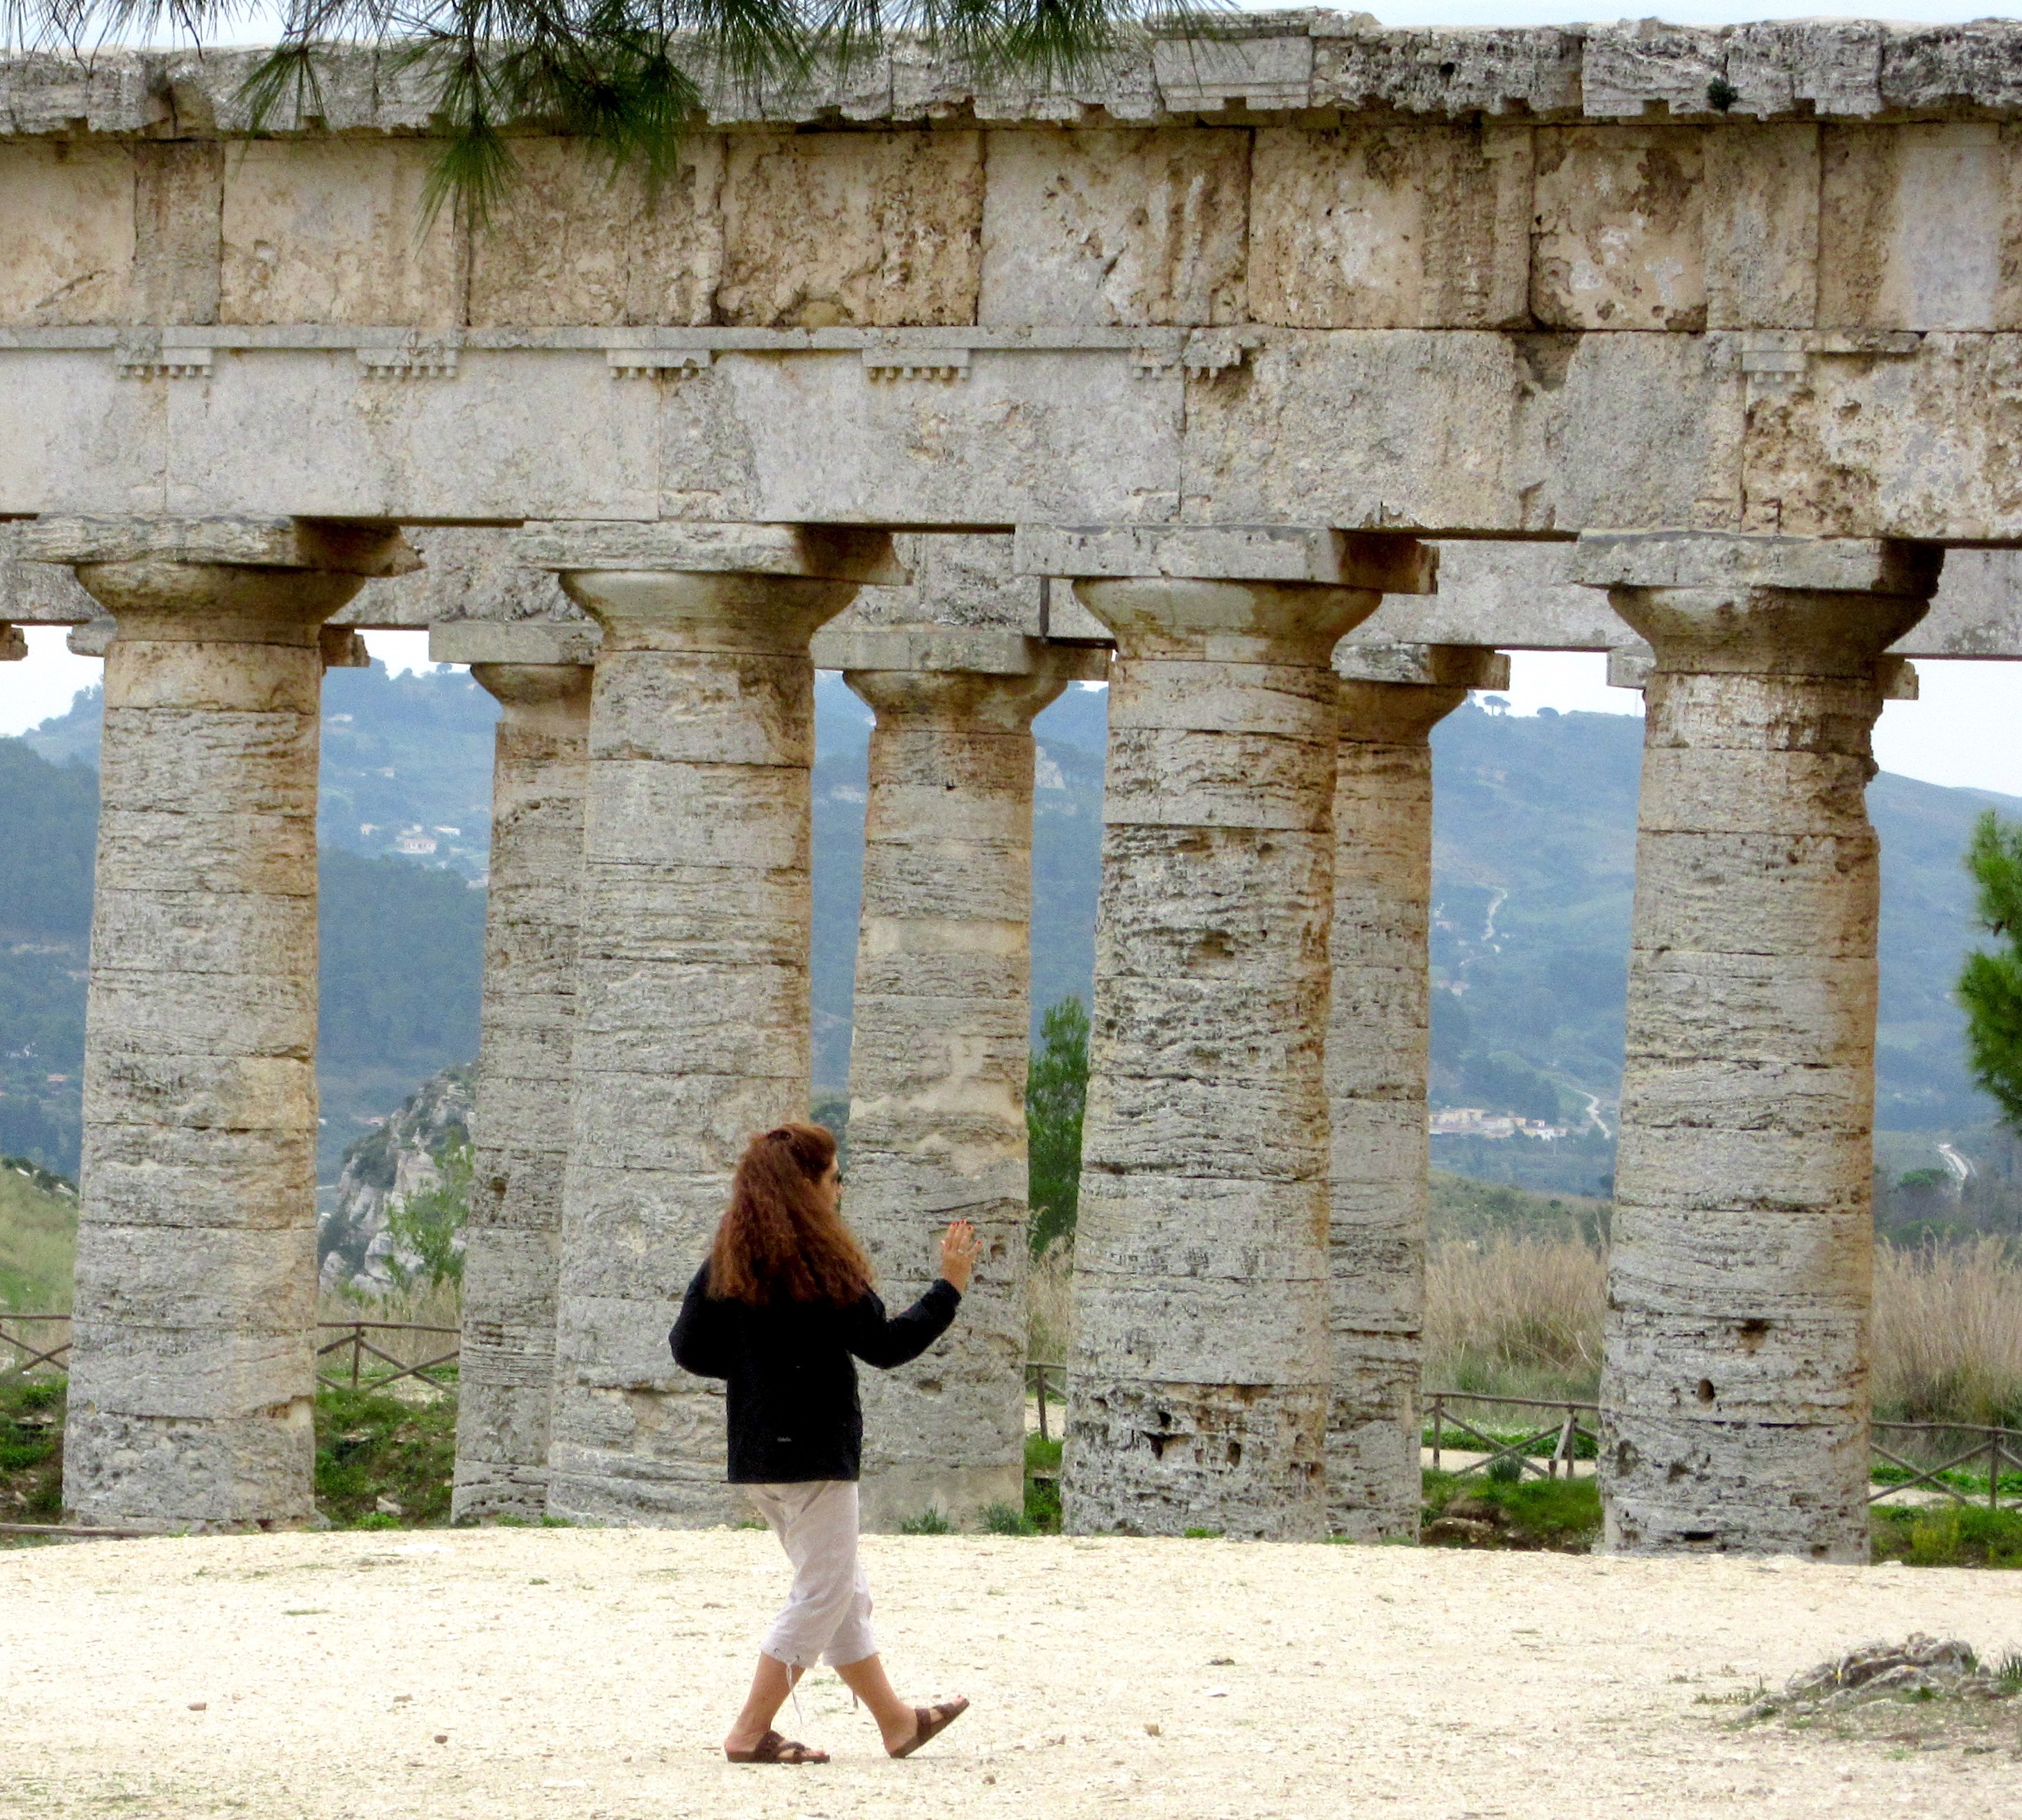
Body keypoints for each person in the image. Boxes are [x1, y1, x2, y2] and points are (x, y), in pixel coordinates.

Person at [671, 1121, 981, 1766]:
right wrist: (949, 1287)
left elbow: (688, 1347)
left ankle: (897, 1722)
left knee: (842, 1591)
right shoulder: (819, 1260)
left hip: (758, 1456)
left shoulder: (732, 1254)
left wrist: (758, 1375)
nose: (840, 1189)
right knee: (823, 1593)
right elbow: (888, 1345)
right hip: (815, 1454)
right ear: (809, 1184)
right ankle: (749, 1730)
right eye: (836, 1177)